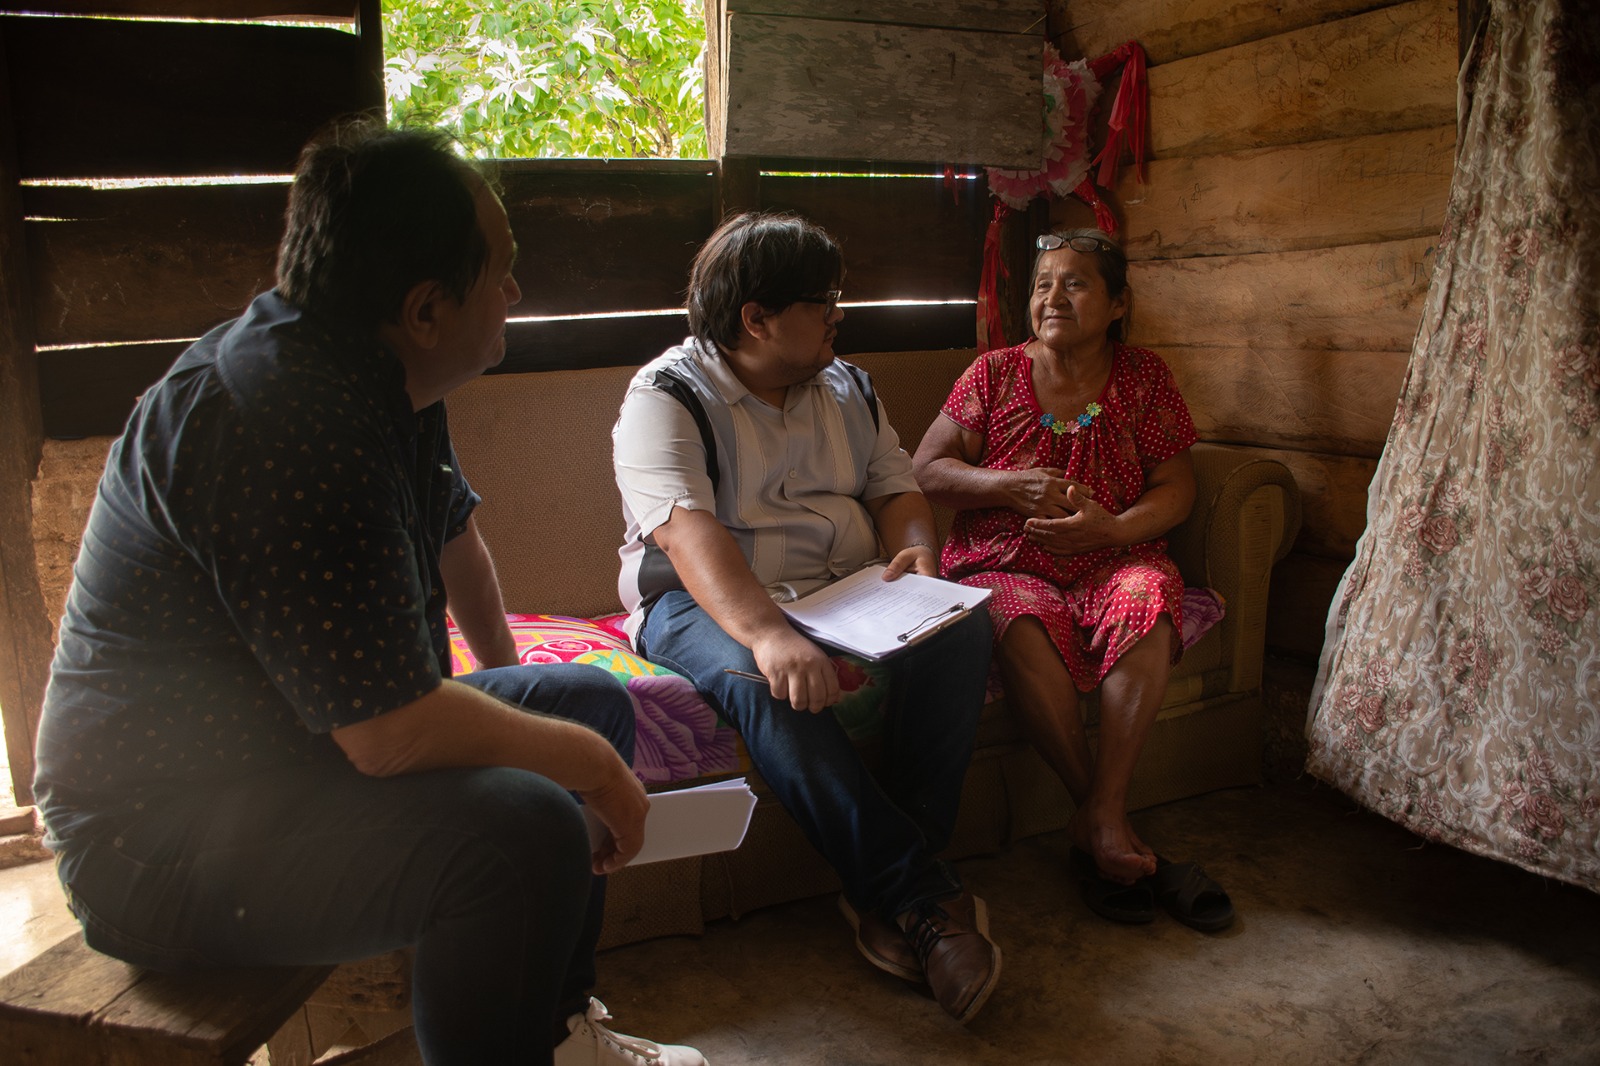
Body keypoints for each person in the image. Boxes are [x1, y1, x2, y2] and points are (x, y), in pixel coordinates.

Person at [32, 121, 706, 1066]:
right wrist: (582, 768)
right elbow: (389, 736)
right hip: (155, 842)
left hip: (289, 757)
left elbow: (458, 545)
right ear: (426, 309)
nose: (515, 293)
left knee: (587, 700)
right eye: (502, 272)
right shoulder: (283, 420)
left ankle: (555, 1036)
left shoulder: (380, 375)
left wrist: (530, 716)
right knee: (524, 831)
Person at [611, 212, 1002, 1022]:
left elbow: (896, 489)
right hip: (701, 598)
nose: (838, 316)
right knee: (762, 679)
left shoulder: (849, 386)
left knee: (962, 626)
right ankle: (918, 897)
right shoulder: (667, 396)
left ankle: (891, 882)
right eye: (822, 301)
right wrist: (767, 636)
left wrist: (919, 560)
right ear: (757, 318)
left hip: (842, 587)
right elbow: (688, 536)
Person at [912, 229, 1234, 932]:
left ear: (1118, 304)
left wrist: (1112, 531)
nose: (1053, 297)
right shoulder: (992, 374)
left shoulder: (1144, 377)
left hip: (1112, 555)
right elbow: (927, 470)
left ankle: (1100, 817)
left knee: (1148, 592)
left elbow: (1176, 486)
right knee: (1012, 612)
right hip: (1006, 560)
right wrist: (1010, 485)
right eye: (1042, 284)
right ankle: (1106, 820)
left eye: (1076, 283)